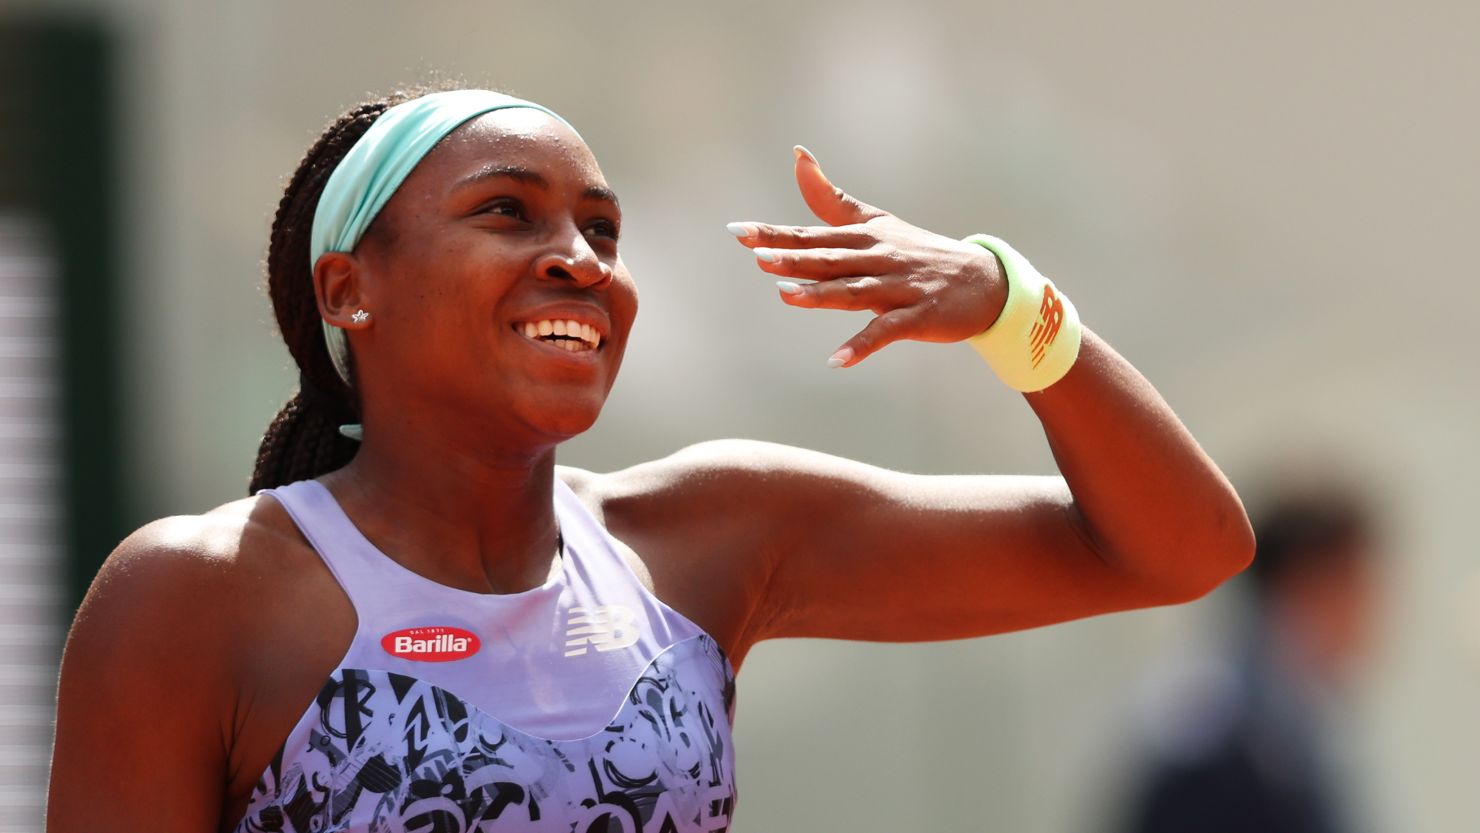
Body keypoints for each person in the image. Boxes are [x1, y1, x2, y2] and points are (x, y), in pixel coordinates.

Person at [46, 85, 1254, 833]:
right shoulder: (195, 593)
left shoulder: (708, 538)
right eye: (507, 210)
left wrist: (1007, 304)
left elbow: (1180, 546)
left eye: (601, 228)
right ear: (349, 289)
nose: (578, 256)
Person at [1114, 486, 1380, 833]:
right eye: (1357, 582)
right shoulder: (1220, 741)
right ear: (1310, 580)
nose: (1372, 609)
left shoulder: (1286, 718)